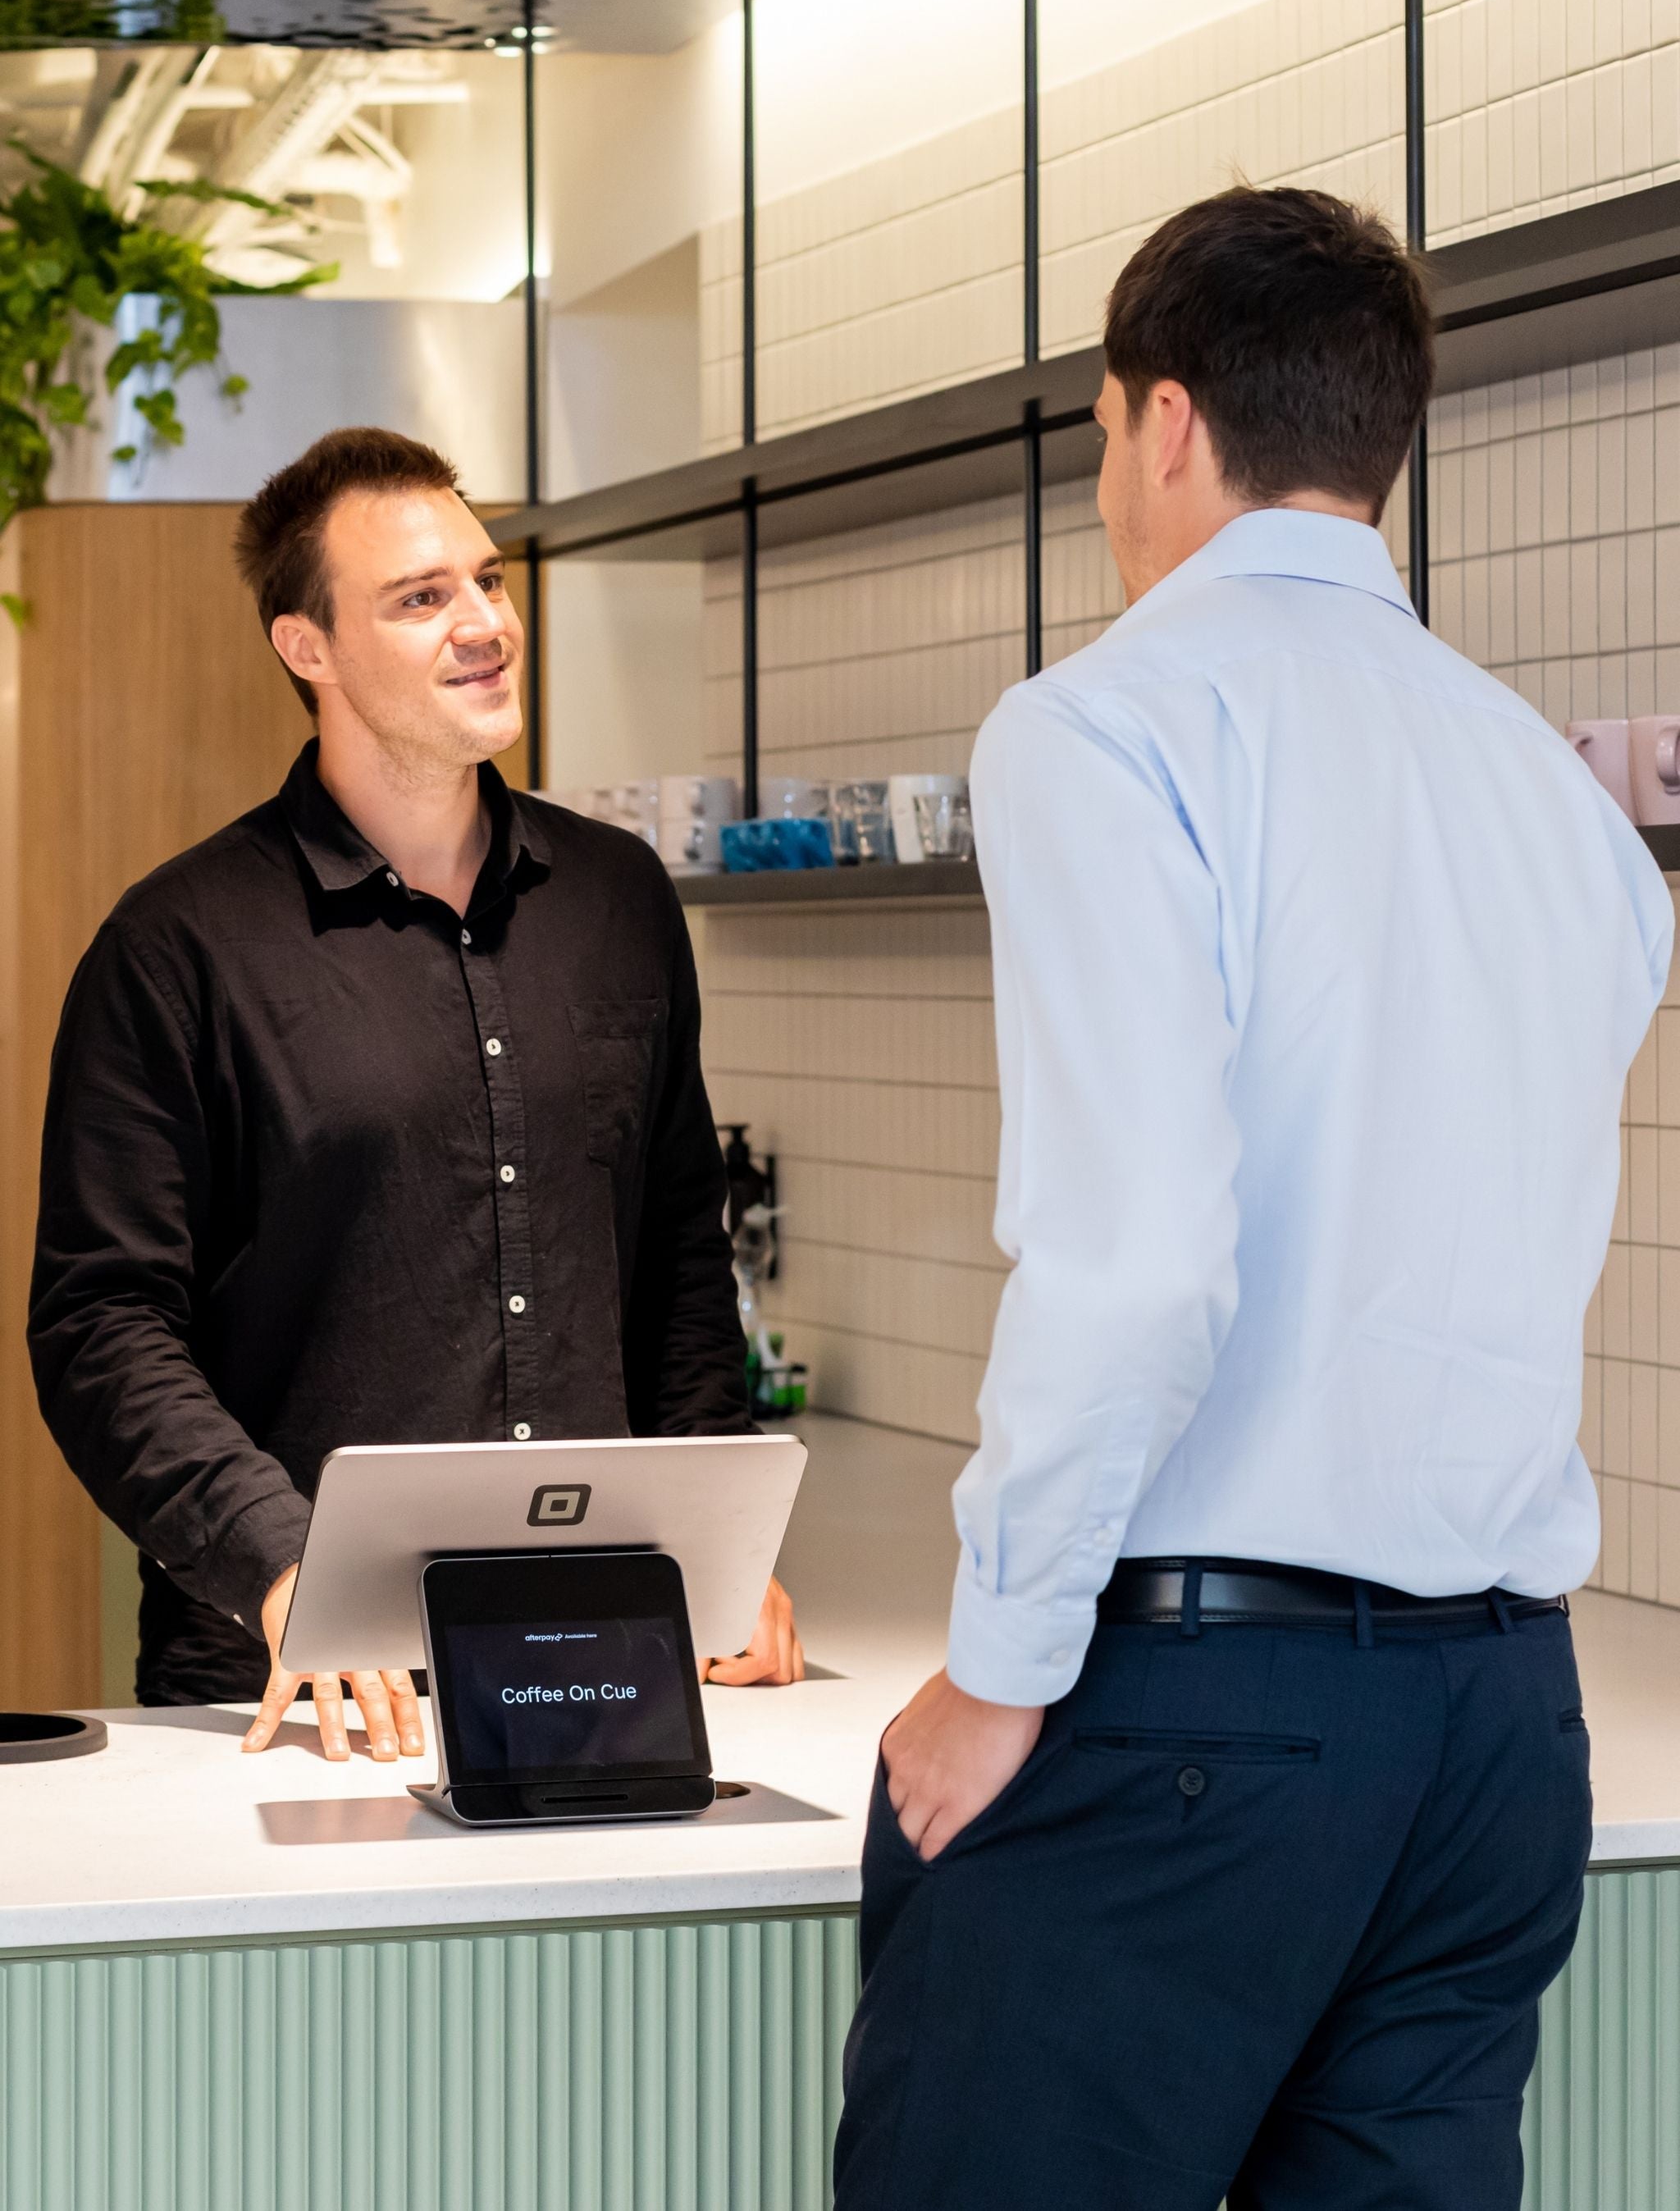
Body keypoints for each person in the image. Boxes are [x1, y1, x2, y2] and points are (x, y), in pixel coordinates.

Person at [835, 187, 1672, 2210]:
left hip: (1193, 1711)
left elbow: (1133, 1258)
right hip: (1493, 1731)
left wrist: (1001, 1664)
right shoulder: (1565, 805)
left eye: (1105, 434)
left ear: (1166, 420)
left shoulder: (1103, 726)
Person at [30, 425, 801, 1760]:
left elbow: (679, 1251)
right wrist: (285, 1571)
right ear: (305, 647)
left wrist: (721, 1549)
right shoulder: (176, 947)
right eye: (420, 598)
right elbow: (102, 1327)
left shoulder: (619, 901)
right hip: (301, 1693)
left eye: (487, 582)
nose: (482, 625)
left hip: (597, 1650)